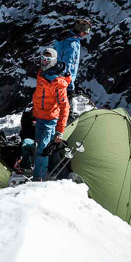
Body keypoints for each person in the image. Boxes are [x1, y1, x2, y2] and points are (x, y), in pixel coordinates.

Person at [31, 48, 71, 181]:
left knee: (43, 150)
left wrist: (59, 131)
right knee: (39, 148)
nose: (44, 61)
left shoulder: (57, 83)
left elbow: (64, 107)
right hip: (40, 118)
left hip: (50, 121)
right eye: (42, 58)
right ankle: (46, 174)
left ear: (53, 61)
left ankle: (38, 180)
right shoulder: (42, 73)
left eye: (47, 59)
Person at [53, 18, 92, 103]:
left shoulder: (62, 38)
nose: (86, 35)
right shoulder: (73, 44)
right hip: (64, 82)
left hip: (54, 77)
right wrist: (70, 86)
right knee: (64, 107)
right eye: (86, 33)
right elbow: (69, 64)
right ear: (82, 32)